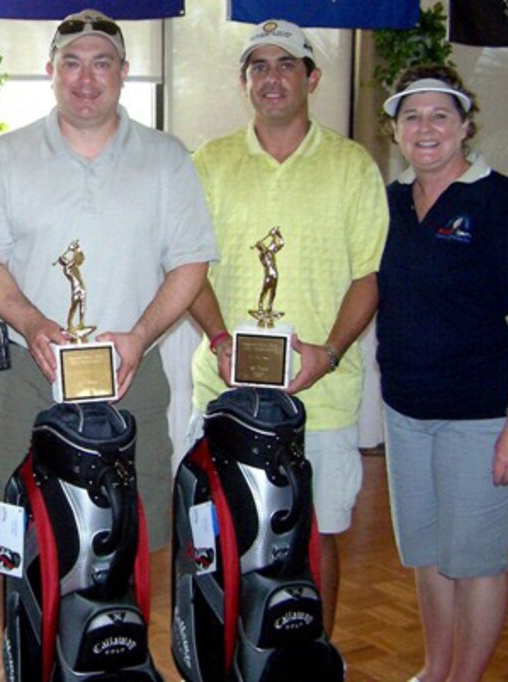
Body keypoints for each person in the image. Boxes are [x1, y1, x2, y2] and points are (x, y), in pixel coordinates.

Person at [0, 8, 217, 551]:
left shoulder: (167, 159)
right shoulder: (7, 156)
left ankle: (118, 634)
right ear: (50, 70)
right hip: (27, 378)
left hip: (133, 374)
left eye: (101, 63)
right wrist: (32, 323)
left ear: (124, 71)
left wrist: (140, 337)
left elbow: (190, 263)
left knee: (137, 527)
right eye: (72, 63)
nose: (86, 79)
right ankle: (24, 632)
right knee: (16, 528)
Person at [186, 19, 388, 635]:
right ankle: (225, 650)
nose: (271, 79)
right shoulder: (209, 162)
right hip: (224, 392)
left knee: (318, 533)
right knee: (222, 529)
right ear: (244, 82)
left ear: (312, 78)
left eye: (286, 66)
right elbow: (187, 267)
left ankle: (313, 650)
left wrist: (326, 354)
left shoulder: (353, 165)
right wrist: (220, 340)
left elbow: (369, 277)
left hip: (320, 397)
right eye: (259, 67)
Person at [377, 65, 508, 682]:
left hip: (484, 419)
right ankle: (437, 668)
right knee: (429, 558)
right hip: (407, 415)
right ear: (396, 129)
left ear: (463, 125)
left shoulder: (503, 204)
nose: (425, 128)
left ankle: (466, 677)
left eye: (439, 116)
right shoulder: (394, 202)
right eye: (412, 117)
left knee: (475, 561)